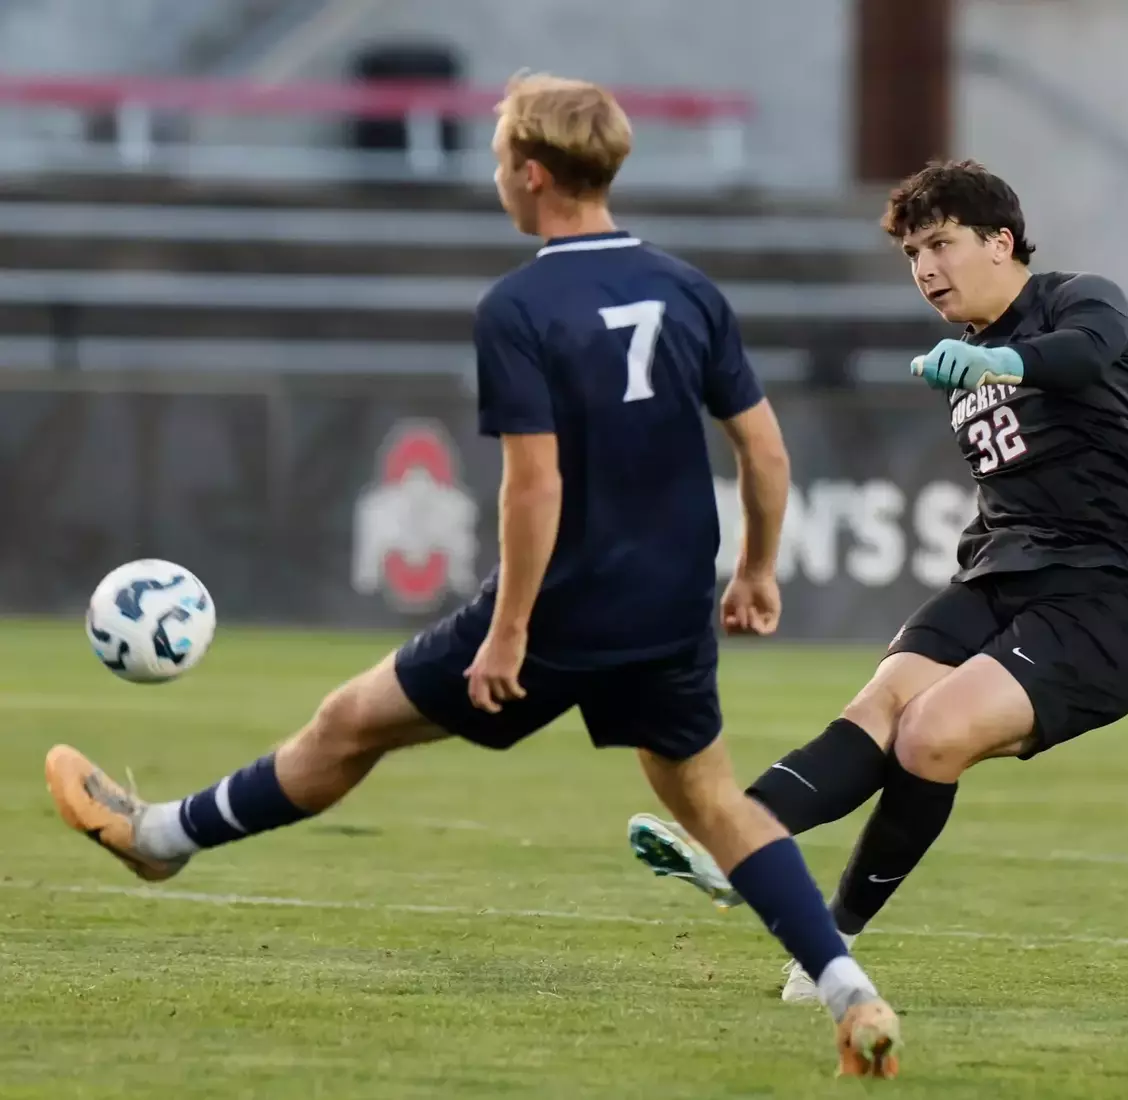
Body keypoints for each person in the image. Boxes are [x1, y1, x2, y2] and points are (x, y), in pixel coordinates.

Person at [43, 72, 900, 1078]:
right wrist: (756, 568)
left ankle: (159, 836)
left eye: (501, 161)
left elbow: (533, 486)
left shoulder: (521, 304)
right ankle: (852, 993)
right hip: (670, 601)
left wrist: (508, 631)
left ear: (531, 173)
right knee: (713, 800)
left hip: (562, 605)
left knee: (347, 724)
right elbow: (766, 452)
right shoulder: (687, 287)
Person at [628, 158, 1128, 1006]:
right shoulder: (964, 359)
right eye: (911, 254)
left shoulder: (1081, 300)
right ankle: (732, 840)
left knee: (930, 736)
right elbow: (1018, 495)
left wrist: (1003, 368)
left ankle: (832, 945)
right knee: (879, 707)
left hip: (1105, 598)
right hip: (1005, 574)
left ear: (1000, 242)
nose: (924, 268)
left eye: (940, 244)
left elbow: (1085, 357)